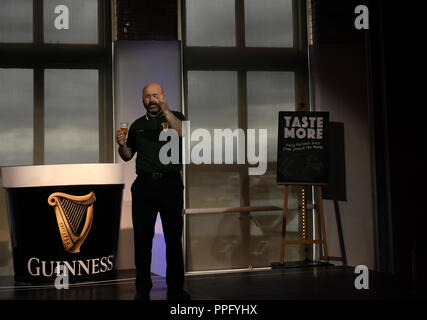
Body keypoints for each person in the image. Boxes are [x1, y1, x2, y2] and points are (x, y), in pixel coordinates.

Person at [116, 82, 190, 300]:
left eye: (156, 95)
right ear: (143, 99)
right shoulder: (137, 125)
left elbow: (182, 133)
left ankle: (176, 289)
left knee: (173, 240)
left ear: (163, 97)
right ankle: (143, 289)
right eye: (148, 96)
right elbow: (128, 155)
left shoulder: (176, 116)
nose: (152, 100)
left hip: (170, 185)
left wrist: (166, 110)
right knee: (142, 240)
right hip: (144, 187)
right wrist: (121, 144)